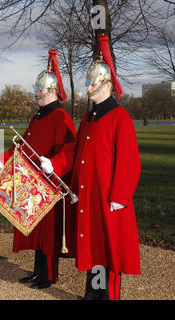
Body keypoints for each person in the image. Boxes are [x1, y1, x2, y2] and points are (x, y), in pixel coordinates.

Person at [0, 49, 76, 289]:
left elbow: (70, 149)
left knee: (48, 234)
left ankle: (49, 275)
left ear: (50, 91)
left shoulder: (60, 116)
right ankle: (38, 271)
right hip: (32, 182)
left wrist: (55, 164)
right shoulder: (39, 116)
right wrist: (3, 158)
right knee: (36, 230)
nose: (35, 93)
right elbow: (24, 146)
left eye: (39, 89)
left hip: (48, 184)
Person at [70, 34, 141, 300]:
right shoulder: (89, 117)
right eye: (88, 82)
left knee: (107, 249)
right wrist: (75, 186)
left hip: (109, 198)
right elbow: (81, 156)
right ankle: (92, 293)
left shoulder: (120, 118)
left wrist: (119, 197)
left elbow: (130, 162)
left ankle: (107, 296)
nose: (88, 87)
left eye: (92, 82)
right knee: (92, 245)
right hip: (89, 195)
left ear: (107, 85)